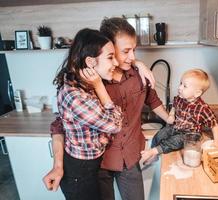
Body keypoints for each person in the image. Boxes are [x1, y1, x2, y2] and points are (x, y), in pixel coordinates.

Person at [43, 17, 170, 200]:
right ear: (108, 47)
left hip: (131, 156)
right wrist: (58, 164)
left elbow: (152, 99)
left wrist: (171, 120)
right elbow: (60, 124)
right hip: (100, 164)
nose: (132, 56)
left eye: (134, 51)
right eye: (125, 51)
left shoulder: (138, 74)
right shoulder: (91, 82)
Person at [52, 28, 123, 200]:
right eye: (110, 57)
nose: (116, 63)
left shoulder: (83, 84)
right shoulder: (75, 95)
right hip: (80, 173)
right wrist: (100, 87)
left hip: (91, 167)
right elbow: (116, 125)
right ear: (91, 62)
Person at [141, 69, 218, 165]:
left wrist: (217, 141)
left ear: (197, 93)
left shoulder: (203, 108)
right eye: (180, 83)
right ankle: (154, 155)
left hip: (190, 134)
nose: (179, 88)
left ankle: (154, 151)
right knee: (160, 135)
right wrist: (171, 115)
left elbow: (214, 124)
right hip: (176, 127)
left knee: (175, 141)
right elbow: (174, 107)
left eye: (184, 86)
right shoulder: (179, 99)